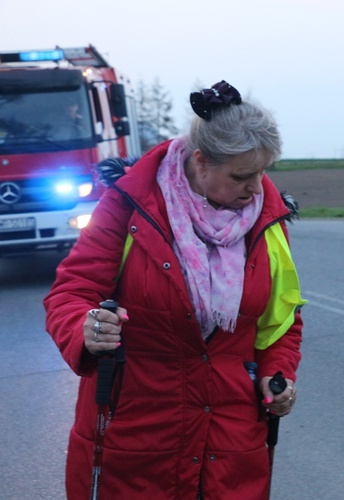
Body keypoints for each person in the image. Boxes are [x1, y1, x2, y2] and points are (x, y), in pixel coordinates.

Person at [44, 80, 306, 499]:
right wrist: (84, 327)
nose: (257, 188)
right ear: (200, 162)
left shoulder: (266, 219)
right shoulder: (129, 204)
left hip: (231, 440)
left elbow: (281, 321)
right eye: (242, 175)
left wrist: (278, 374)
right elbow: (71, 292)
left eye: (262, 172)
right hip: (136, 438)